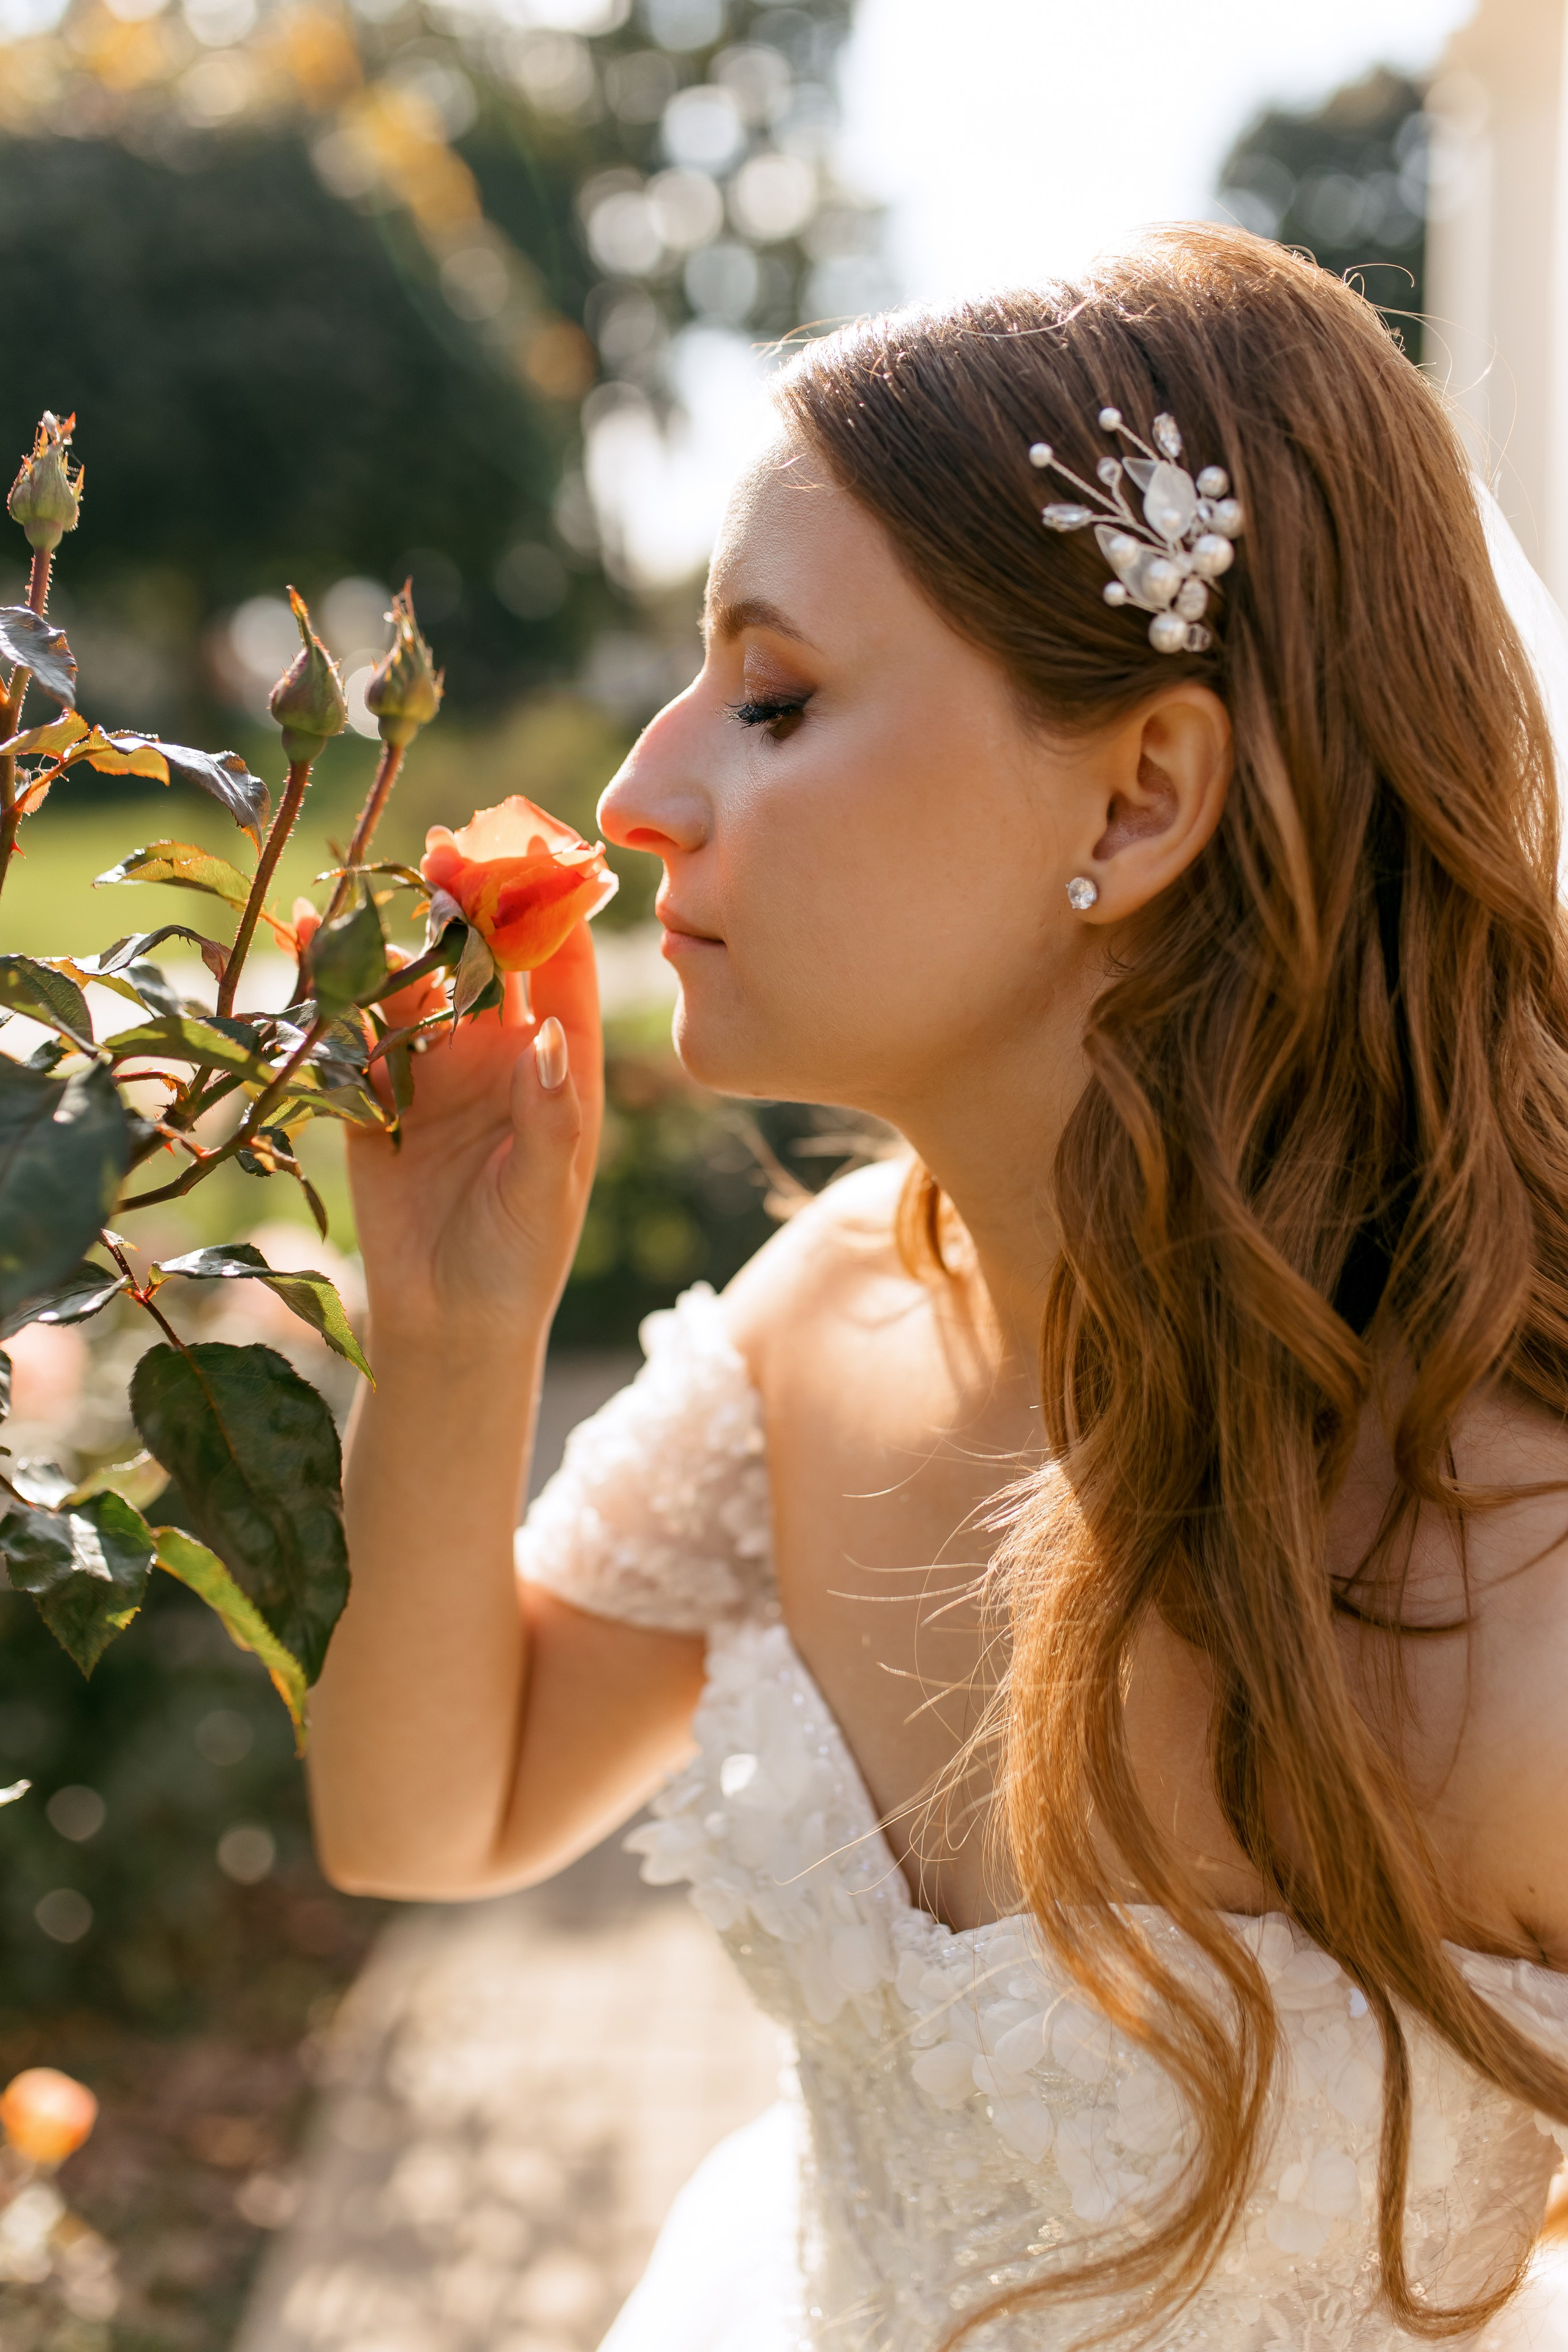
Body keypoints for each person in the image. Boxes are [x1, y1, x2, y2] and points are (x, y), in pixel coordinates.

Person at [306, 226, 1568, 2351]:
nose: (640, 794)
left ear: (1141, 793)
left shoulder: (1528, 1591)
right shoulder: (818, 1331)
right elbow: (430, 1817)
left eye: (775, 697)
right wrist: (450, 1334)